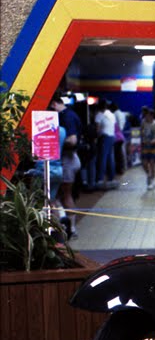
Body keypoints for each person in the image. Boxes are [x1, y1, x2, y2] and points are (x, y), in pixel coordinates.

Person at [50, 95, 83, 237]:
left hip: (67, 160)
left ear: (54, 103)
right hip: (70, 159)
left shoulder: (66, 117)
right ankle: (68, 226)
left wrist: (57, 142)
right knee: (61, 195)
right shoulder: (70, 114)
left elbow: (73, 140)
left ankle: (70, 228)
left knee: (64, 195)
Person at [94, 99, 117, 188]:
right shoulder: (111, 114)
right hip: (112, 137)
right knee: (110, 158)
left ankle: (100, 179)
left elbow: (98, 129)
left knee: (102, 158)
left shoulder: (99, 115)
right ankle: (111, 178)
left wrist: (96, 137)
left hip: (104, 138)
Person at [140, 108, 155, 190]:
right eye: (146, 116)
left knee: (152, 164)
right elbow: (141, 132)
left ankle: (152, 181)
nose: (146, 117)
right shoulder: (143, 122)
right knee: (144, 163)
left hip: (154, 146)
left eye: (148, 116)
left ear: (152, 116)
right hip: (145, 145)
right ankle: (148, 175)